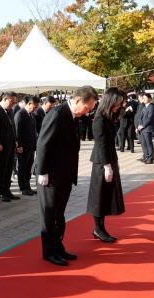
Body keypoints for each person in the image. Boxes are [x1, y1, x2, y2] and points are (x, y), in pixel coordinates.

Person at [36, 85, 99, 266]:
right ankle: (49, 252)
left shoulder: (73, 116)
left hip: (64, 174)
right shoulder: (56, 114)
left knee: (59, 214)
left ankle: (58, 247)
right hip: (51, 175)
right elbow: (43, 144)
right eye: (87, 108)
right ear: (78, 100)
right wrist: (42, 172)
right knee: (49, 215)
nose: (86, 112)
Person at [87, 87, 127, 243]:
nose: (120, 105)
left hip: (109, 160)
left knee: (105, 196)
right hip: (101, 162)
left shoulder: (109, 118)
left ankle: (101, 228)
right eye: (118, 102)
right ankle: (98, 228)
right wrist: (106, 166)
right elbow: (101, 144)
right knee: (99, 197)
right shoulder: (99, 119)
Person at [0, 91, 20, 202]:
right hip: (2, 145)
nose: (13, 104)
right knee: (2, 169)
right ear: (4, 99)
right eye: (11, 102)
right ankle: (1, 192)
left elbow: (13, 127)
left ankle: (7, 190)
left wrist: (15, 140)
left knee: (9, 169)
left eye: (14, 102)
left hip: (11, 144)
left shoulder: (10, 111)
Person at [15, 95, 40, 196]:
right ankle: (23, 187)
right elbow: (17, 132)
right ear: (29, 104)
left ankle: (28, 185)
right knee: (22, 167)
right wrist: (19, 145)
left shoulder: (32, 115)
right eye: (34, 107)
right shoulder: (20, 114)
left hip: (30, 146)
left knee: (29, 167)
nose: (35, 109)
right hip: (23, 147)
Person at [136, 93, 154, 164]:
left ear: (149, 99)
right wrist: (139, 125)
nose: (143, 99)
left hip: (148, 128)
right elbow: (140, 118)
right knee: (144, 143)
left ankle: (151, 158)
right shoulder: (144, 107)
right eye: (143, 98)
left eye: (145, 98)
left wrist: (143, 125)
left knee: (148, 143)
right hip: (142, 129)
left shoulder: (151, 107)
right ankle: (146, 156)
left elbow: (150, 118)